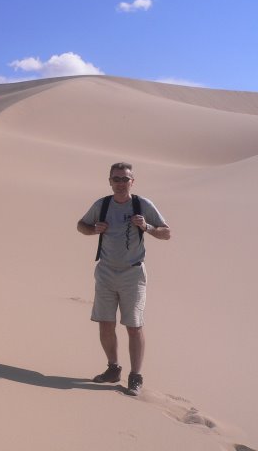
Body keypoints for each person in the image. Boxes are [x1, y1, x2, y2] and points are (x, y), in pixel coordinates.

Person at [76, 162, 170, 396]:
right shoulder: (102, 204)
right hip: (106, 271)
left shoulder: (142, 204)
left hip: (133, 274)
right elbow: (81, 226)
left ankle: (135, 376)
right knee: (106, 323)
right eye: (116, 179)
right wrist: (94, 229)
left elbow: (166, 233)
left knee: (134, 326)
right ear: (109, 181)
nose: (120, 183)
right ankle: (113, 369)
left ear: (132, 182)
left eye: (125, 179)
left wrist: (147, 226)